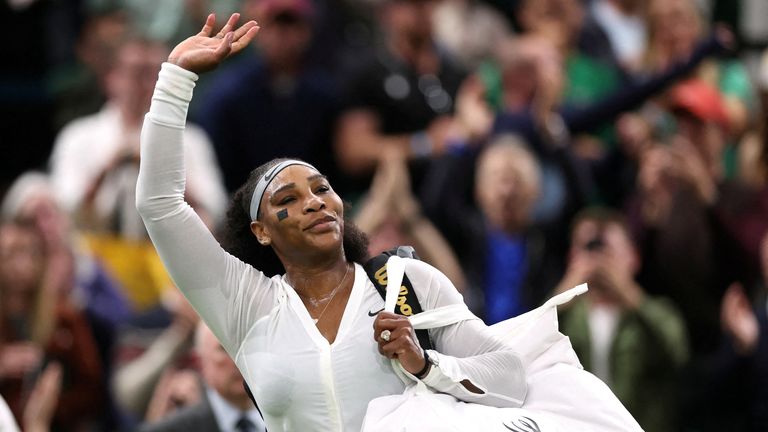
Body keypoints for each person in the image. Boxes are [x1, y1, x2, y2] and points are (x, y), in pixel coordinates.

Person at [136, 13, 527, 431]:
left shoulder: (405, 282)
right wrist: (175, 79)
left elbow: (510, 378)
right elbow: (160, 205)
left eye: (322, 189)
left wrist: (425, 363)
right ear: (260, 231)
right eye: (288, 198)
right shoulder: (246, 306)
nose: (314, 203)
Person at [554, 207, 689, 432]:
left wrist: (629, 294)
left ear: (634, 258)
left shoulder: (655, 313)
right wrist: (565, 293)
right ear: (571, 258)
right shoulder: (564, 317)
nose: (598, 261)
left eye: (608, 250)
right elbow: (527, 348)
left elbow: (678, 351)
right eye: (588, 249)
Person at [139, 323, 266, 432]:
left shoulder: (284, 420)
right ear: (200, 362)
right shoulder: (170, 429)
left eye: (247, 346)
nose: (239, 359)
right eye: (224, 349)